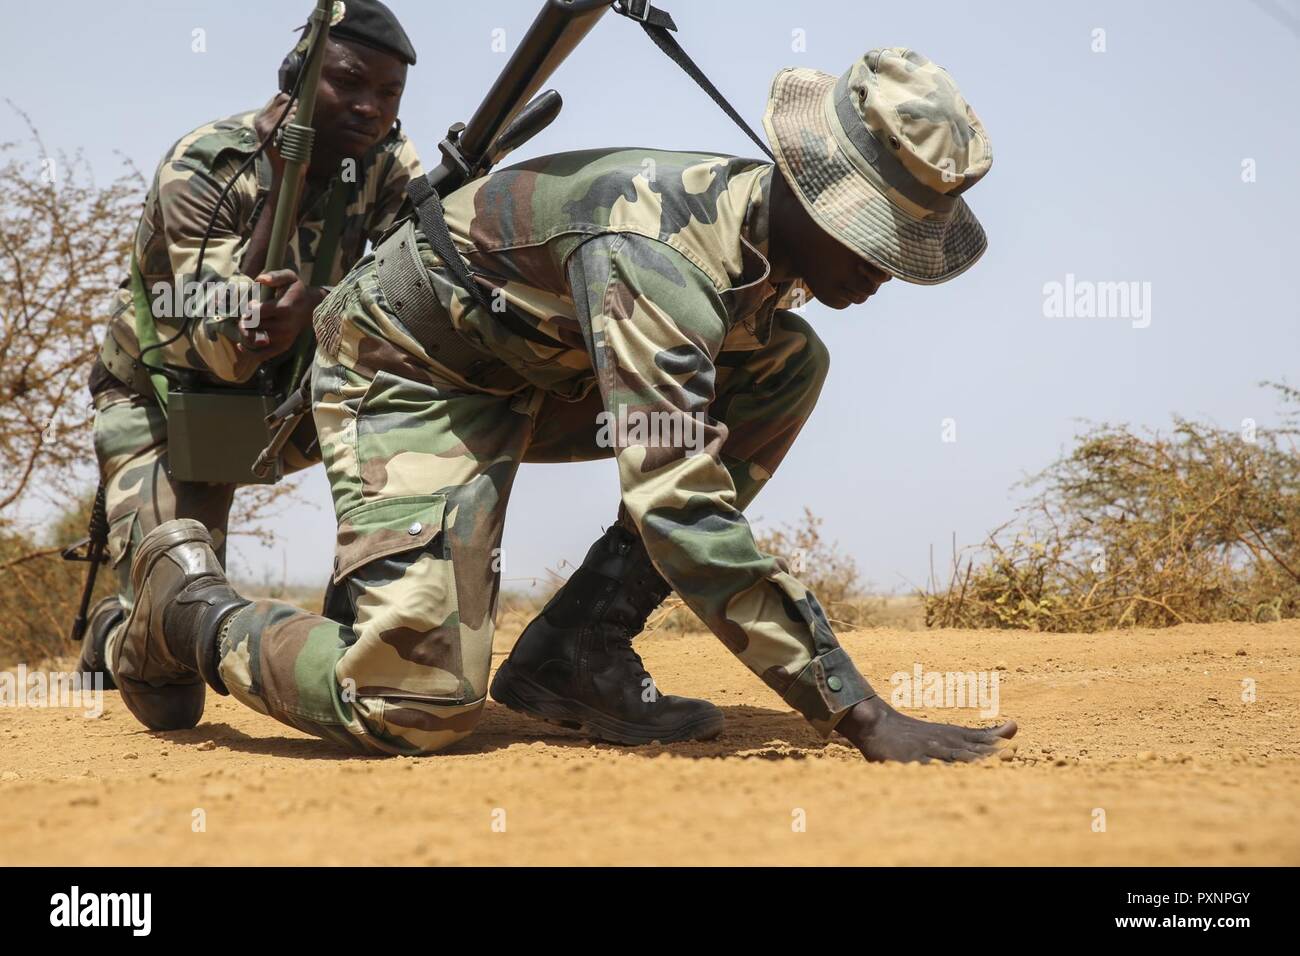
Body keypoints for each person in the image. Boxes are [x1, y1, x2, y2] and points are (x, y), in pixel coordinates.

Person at [109, 47, 1018, 762]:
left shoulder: (754, 239)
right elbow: (678, 505)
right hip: (413, 366)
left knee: (787, 363)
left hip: (534, 368)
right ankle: (184, 605)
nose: (883, 271)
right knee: (412, 706)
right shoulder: (659, 260)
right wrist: (855, 711)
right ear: (814, 192)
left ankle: (576, 650)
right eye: (875, 239)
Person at [78, 0, 423, 693]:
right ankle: (114, 631)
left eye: (388, 94)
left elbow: (417, 291)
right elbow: (220, 352)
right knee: (176, 622)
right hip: (162, 406)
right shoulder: (207, 165)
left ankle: (379, 606)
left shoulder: (386, 163)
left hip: (287, 399)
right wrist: (279, 206)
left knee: (417, 393)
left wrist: (323, 315)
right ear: (296, 75)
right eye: (348, 83)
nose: (370, 109)